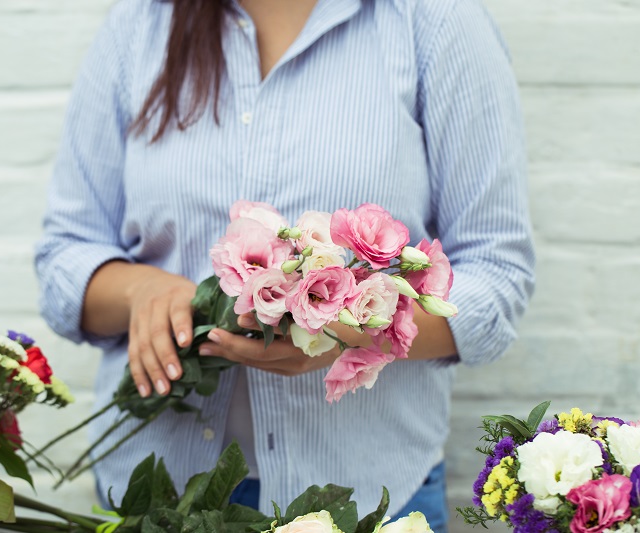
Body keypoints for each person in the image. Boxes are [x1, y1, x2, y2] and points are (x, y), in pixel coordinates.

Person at [35, 0, 536, 531]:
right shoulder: (140, 26)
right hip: (158, 498)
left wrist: (349, 333)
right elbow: (66, 255)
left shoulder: (432, 20)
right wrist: (139, 289)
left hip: (368, 496)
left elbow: (495, 272)